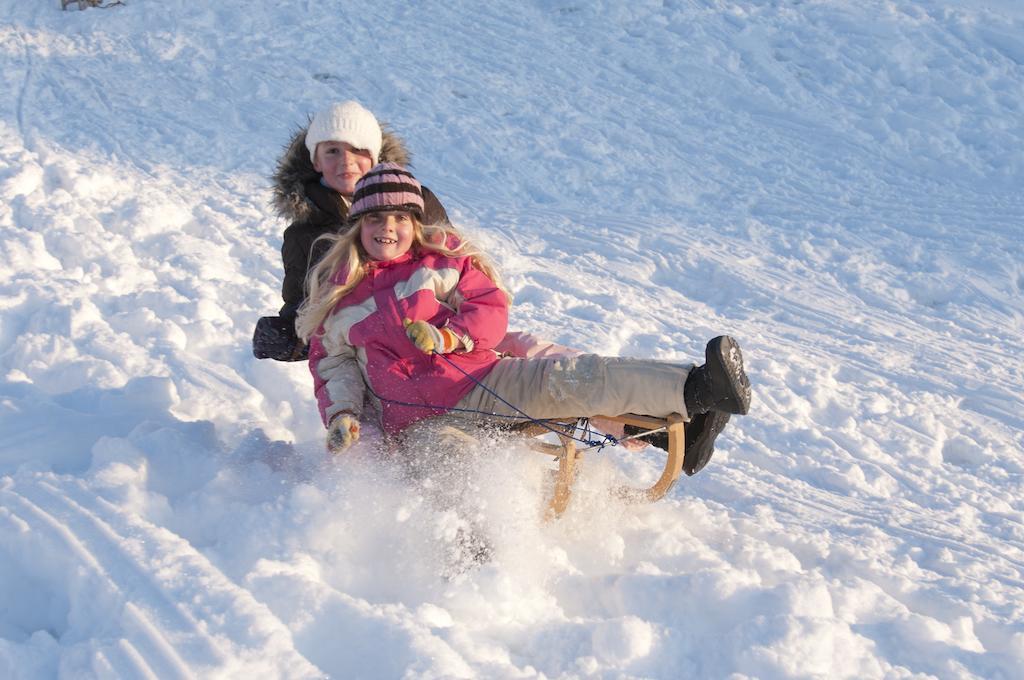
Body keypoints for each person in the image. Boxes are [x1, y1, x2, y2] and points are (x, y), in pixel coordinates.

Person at [297, 164, 752, 477]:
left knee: (575, 378)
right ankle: (476, 547)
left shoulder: (439, 265)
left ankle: (697, 389)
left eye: (399, 216)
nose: (388, 227)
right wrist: (344, 415)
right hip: (418, 423)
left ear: (415, 222)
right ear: (358, 225)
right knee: (454, 460)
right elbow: (332, 368)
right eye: (376, 217)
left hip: (482, 380)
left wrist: (450, 338)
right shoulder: (340, 300)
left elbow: (489, 307)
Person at [253, 100, 451, 362]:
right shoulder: (305, 234)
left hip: (431, 339)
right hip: (363, 359)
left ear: (375, 156)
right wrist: (288, 339)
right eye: (333, 151)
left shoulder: (416, 203)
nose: (346, 161)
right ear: (315, 161)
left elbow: (456, 266)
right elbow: (305, 309)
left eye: (357, 150)